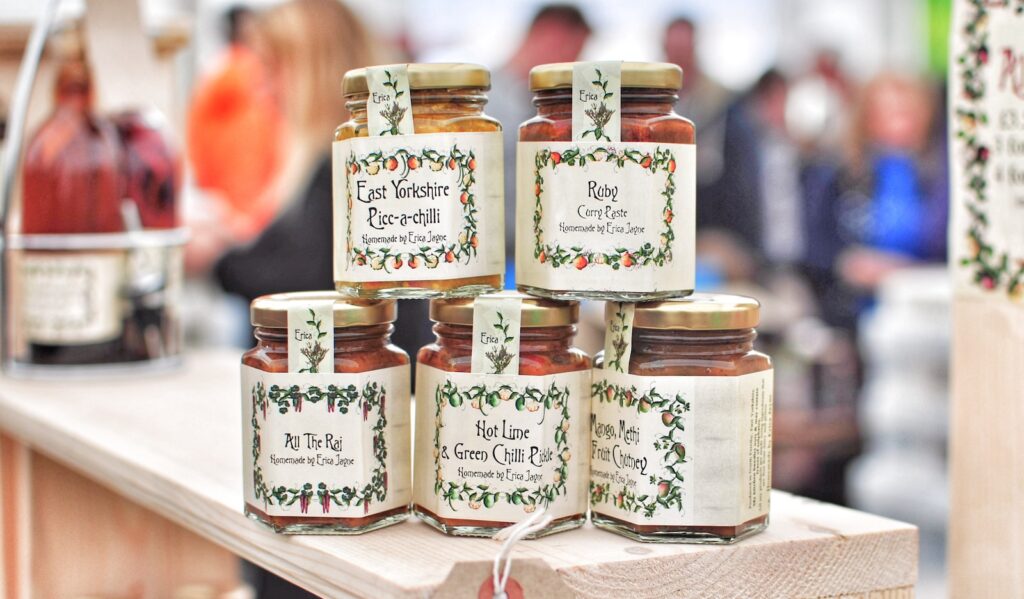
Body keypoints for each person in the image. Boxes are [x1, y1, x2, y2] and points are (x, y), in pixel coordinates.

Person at [804, 73, 948, 331]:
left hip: (928, 312)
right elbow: (816, 248)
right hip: (855, 315)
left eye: (905, 113)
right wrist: (847, 264)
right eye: (885, 113)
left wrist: (902, 272)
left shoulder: (937, 176)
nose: (897, 124)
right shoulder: (843, 176)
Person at [488, 5, 591, 286]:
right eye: (574, 51)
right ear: (551, 34)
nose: (573, 64)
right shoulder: (484, 100)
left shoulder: (554, 106)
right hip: (493, 257)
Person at [186, 5, 283, 241]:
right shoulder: (254, 70)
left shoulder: (214, 74)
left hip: (227, 200)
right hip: (253, 203)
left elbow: (196, 138)